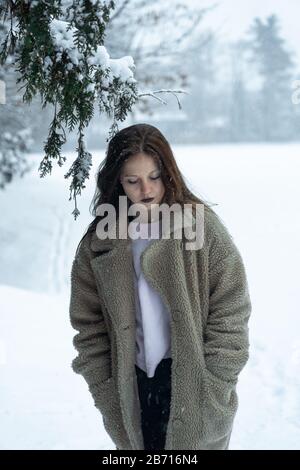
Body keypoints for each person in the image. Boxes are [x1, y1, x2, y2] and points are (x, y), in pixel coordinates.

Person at [69, 123, 252, 450]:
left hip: (194, 384)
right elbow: (88, 325)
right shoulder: (100, 244)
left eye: (154, 176)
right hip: (132, 385)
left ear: (168, 172)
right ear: (117, 182)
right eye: (132, 180)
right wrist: (105, 389)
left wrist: (216, 380)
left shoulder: (201, 227)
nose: (147, 190)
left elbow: (231, 306)